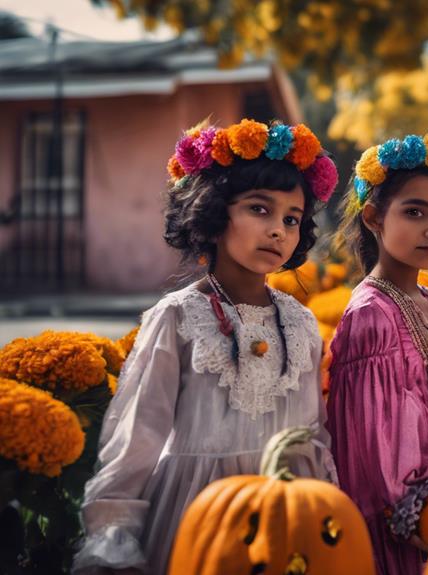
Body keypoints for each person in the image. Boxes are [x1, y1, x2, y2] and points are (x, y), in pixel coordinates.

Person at [73, 119, 340, 574]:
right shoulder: (178, 316)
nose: (278, 229)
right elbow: (139, 435)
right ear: (214, 212)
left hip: (286, 520)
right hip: (196, 517)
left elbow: (311, 436)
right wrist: (113, 533)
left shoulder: (301, 324)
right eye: (260, 209)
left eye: (291, 219)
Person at [326, 134, 428, 575]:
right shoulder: (371, 315)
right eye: (415, 212)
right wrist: (415, 504)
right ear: (374, 218)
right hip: (401, 514)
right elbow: (375, 443)